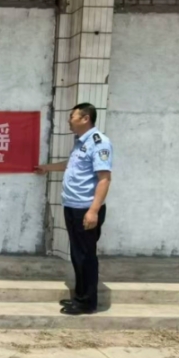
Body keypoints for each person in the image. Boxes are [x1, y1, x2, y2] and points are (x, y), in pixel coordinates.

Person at [36, 102, 113, 315]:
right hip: (72, 205)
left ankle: (87, 303)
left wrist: (93, 211)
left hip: (85, 209)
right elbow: (71, 165)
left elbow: (104, 179)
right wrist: (47, 168)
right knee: (78, 255)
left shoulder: (99, 143)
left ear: (85, 118)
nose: (69, 120)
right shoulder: (81, 142)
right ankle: (80, 297)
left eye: (72, 116)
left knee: (85, 256)